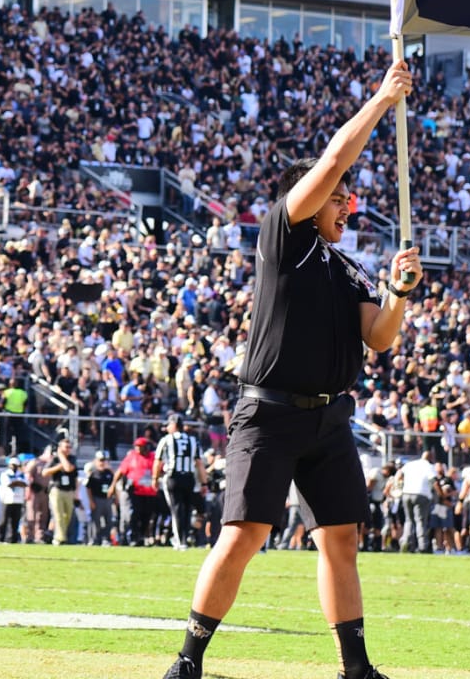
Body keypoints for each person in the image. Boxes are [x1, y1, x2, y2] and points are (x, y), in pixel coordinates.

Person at [161, 57, 420, 679]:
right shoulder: (284, 236)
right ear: (305, 198)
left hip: (330, 420)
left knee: (341, 539)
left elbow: (380, 339)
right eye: (339, 197)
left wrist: (400, 293)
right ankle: (188, 660)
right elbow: (332, 160)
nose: (348, 205)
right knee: (245, 533)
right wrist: (383, 100)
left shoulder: (350, 266)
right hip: (271, 413)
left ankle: (355, 668)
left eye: (349, 199)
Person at [153, 413, 207, 550]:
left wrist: (155, 478)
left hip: (173, 477)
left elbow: (157, 461)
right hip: (188, 478)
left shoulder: (167, 440)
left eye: (169, 425)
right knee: (187, 509)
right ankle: (184, 538)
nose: (167, 428)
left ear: (174, 425)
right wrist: (204, 483)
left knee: (176, 509)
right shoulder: (193, 440)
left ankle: (179, 541)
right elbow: (199, 463)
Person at [44, 436, 81, 545]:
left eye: (69, 447)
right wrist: (58, 465)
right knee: (58, 514)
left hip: (69, 490)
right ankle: (59, 538)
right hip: (57, 489)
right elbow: (45, 472)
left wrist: (62, 457)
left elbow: (69, 469)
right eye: (66, 447)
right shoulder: (54, 459)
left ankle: (62, 535)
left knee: (67, 515)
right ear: (60, 448)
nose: (68, 449)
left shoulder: (72, 459)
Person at [399, 450, 436, 553]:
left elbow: (399, 475)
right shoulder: (429, 466)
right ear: (430, 458)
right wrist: (440, 493)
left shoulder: (410, 464)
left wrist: (399, 486)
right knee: (420, 520)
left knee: (408, 520)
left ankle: (405, 542)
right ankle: (422, 546)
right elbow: (433, 481)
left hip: (406, 492)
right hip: (422, 494)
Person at [83, 450, 115, 546]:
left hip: (107, 499)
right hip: (97, 498)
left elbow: (114, 485)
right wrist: (91, 501)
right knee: (95, 520)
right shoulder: (93, 474)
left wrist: (115, 498)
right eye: (101, 460)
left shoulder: (110, 473)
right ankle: (94, 539)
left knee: (108, 520)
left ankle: (106, 538)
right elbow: (88, 489)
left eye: (104, 460)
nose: (103, 463)